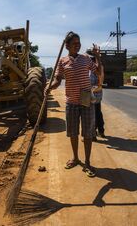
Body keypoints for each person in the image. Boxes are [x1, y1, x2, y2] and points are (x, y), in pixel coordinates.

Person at [46, 32, 102, 178]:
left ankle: (88, 162)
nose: (78, 45)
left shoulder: (86, 59)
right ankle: (76, 158)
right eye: (74, 43)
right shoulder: (62, 61)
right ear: (67, 46)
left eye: (79, 43)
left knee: (88, 133)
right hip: (71, 101)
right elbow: (57, 80)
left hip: (86, 100)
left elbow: (98, 71)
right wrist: (49, 87)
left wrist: (98, 57)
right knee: (73, 132)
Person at [87, 49, 105, 139]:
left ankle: (93, 133)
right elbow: (101, 82)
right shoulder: (100, 67)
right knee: (98, 112)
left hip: (92, 94)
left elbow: (100, 82)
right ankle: (101, 131)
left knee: (92, 114)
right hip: (97, 93)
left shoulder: (91, 68)